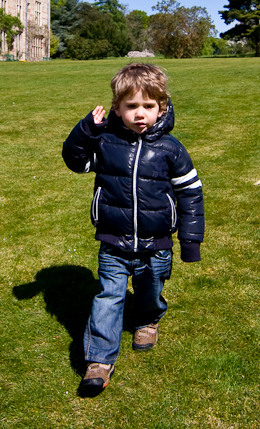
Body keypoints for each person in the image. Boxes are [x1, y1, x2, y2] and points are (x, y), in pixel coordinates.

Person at [62, 63, 205, 396]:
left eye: (148, 106)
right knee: (108, 298)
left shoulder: (171, 149)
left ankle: (148, 321)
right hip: (113, 242)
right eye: (131, 106)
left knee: (149, 291)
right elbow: (75, 161)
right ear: (117, 108)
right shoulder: (106, 143)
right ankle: (98, 360)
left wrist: (190, 241)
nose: (140, 114)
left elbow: (191, 194)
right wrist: (85, 131)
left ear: (161, 108)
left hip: (156, 245)